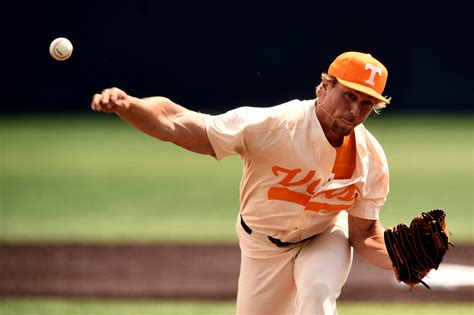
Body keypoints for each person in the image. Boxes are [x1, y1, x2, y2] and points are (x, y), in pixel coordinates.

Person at [91, 51, 393, 315]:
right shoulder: (272, 126)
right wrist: (129, 105)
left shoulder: (370, 158)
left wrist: (398, 261)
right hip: (263, 245)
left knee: (318, 289)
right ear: (325, 86)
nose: (354, 110)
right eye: (349, 95)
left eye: (366, 103)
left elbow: (364, 233)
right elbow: (175, 121)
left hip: (326, 235)